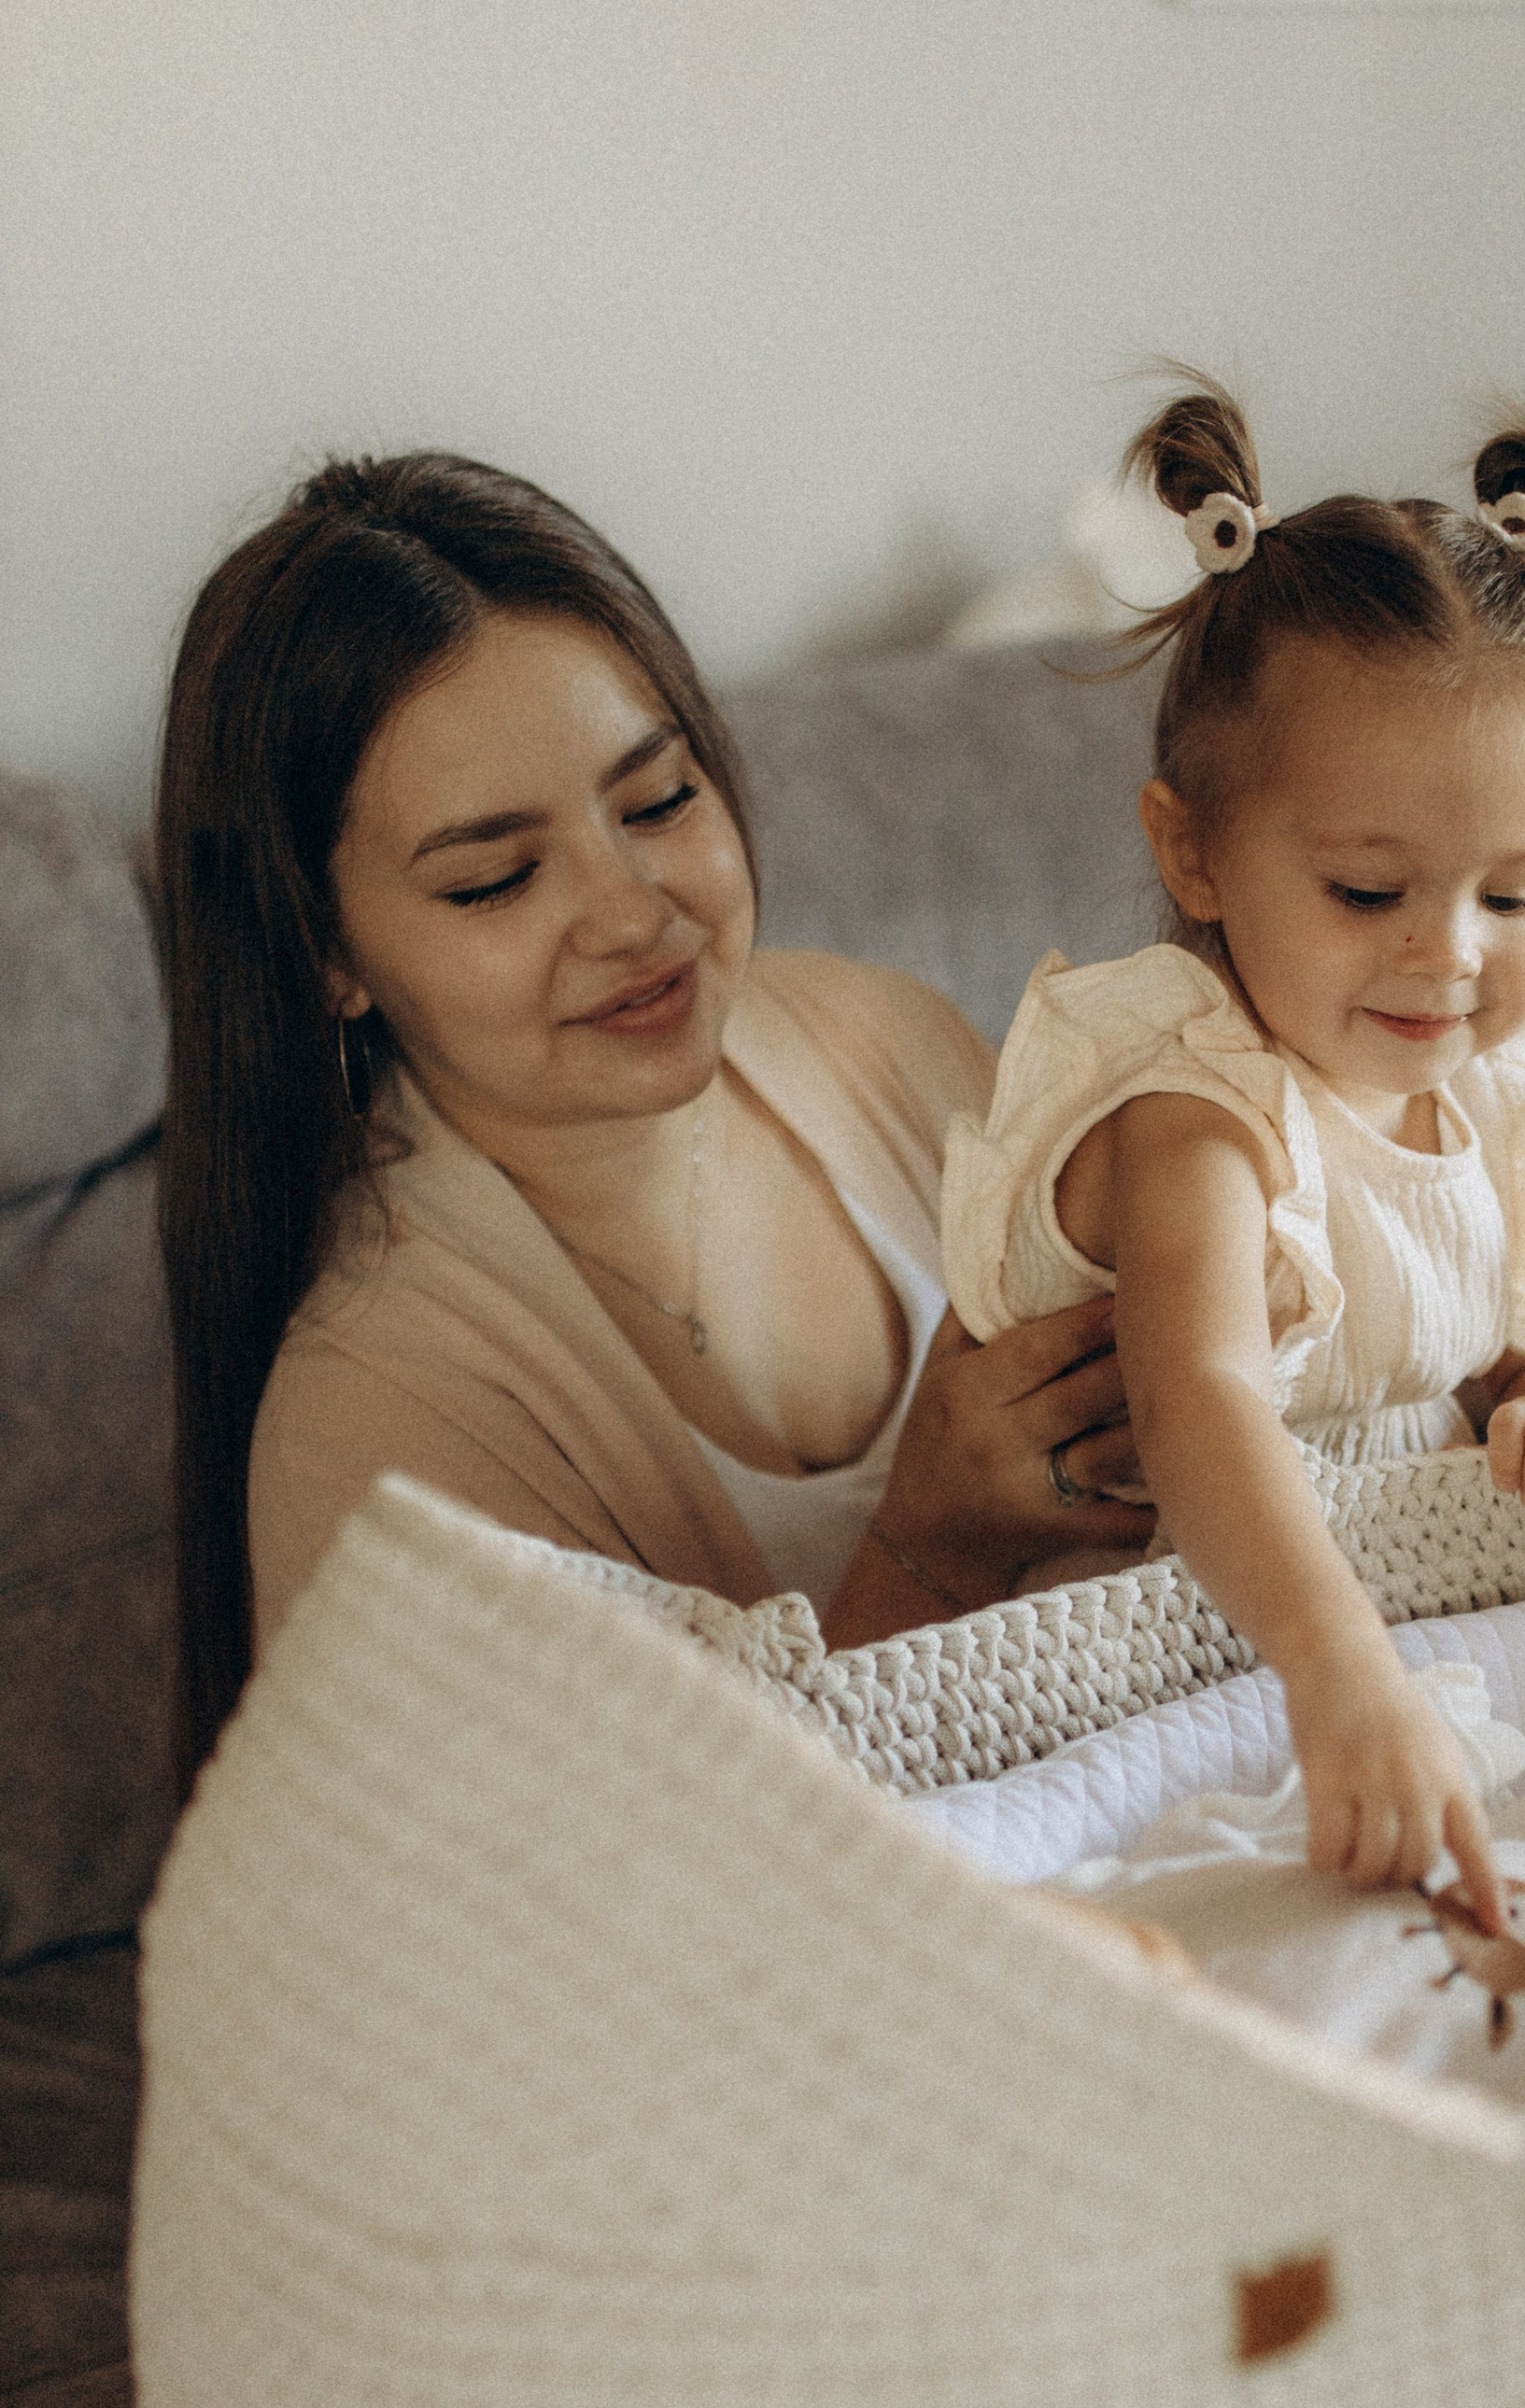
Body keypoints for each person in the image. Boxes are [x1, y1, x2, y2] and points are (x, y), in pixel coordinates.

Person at [156, 452, 1152, 1783]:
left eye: (660, 800)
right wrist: (928, 1553)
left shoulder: (891, 1042)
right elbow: (603, 1929)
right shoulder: (376, 1424)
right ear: (325, 955)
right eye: (496, 880)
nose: (633, 915)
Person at [942, 383, 1525, 1930]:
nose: (1449, 958)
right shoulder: (1192, 1115)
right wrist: (1344, 1676)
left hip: (1395, 1644)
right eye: (1370, 891)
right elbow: (1203, 1401)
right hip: (1154, 1668)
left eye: (1514, 898)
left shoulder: (1498, 1094)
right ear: (1192, 850)